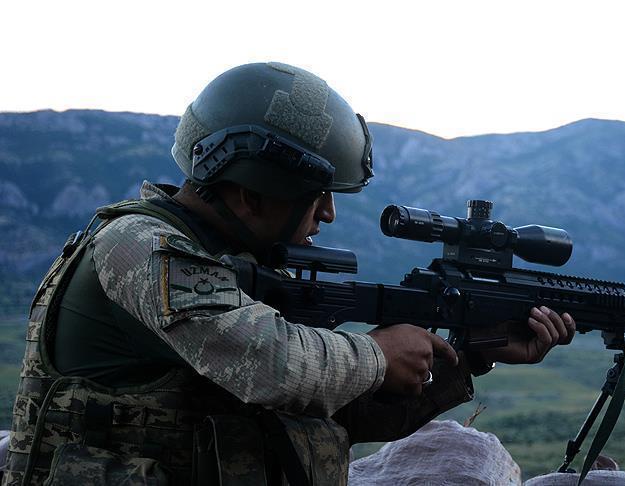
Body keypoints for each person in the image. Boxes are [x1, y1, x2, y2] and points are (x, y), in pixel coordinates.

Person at [2, 62, 575, 485]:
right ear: (252, 194)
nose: (328, 214)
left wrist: (470, 354)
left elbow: (328, 413)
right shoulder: (139, 246)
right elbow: (270, 366)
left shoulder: (240, 267)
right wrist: (377, 354)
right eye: (317, 196)